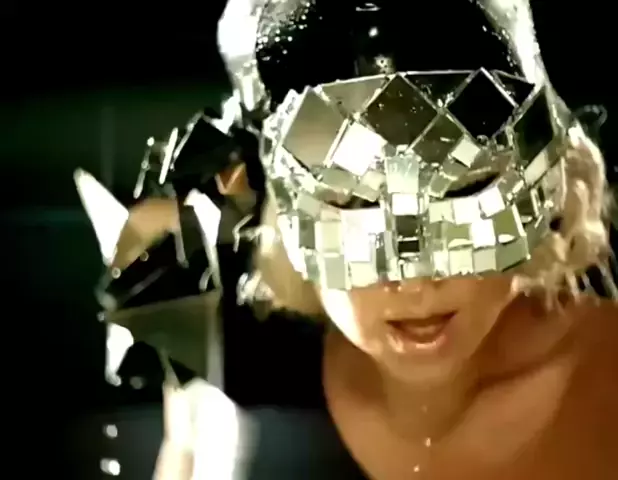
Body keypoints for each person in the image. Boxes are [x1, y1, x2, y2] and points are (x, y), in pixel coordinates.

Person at [79, 0, 618, 478]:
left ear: (545, 176)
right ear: (278, 201)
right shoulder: (241, 362)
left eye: (464, 188)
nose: (414, 276)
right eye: (352, 202)